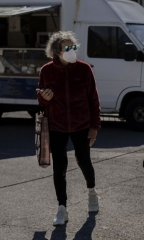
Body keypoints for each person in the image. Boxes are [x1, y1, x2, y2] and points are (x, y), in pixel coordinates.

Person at [36, 31, 101, 226]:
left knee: (84, 160)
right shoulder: (46, 71)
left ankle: (92, 192)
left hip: (81, 124)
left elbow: (93, 99)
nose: (72, 50)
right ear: (56, 51)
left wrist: (94, 126)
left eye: (73, 47)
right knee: (60, 167)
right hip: (57, 125)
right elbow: (41, 99)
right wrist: (43, 98)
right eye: (67, 47)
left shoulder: (84, 69)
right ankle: (62, 208)